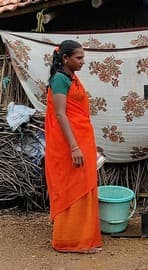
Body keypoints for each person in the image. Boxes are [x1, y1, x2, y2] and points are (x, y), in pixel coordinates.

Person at [45, 40, 102, 254]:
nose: (83, 62)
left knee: (84, 186)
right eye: (79, 58)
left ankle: (83, 237)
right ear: (65, 58)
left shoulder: (71, 78)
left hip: (82, 140)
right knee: (72, 189)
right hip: (69, 144)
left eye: (83, 57)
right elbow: (60, 114)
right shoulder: (60, 80)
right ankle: (68, 241)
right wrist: (74, 147)